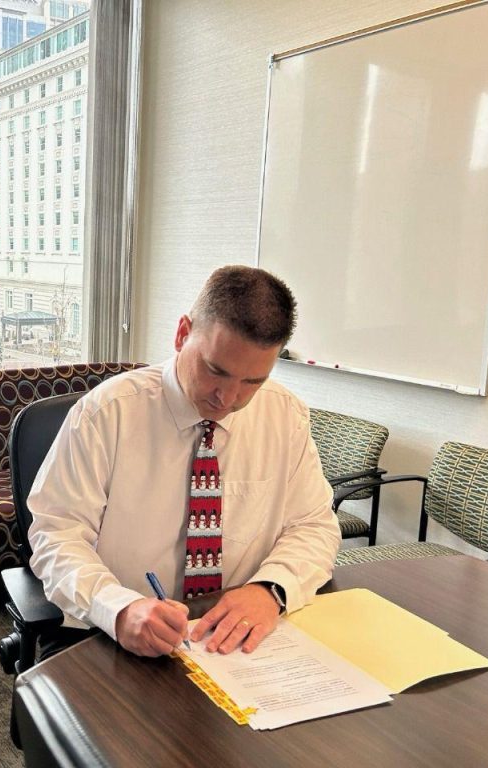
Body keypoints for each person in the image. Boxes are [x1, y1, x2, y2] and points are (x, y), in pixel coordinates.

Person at [27, 265, 339, 659]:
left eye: (252, 382)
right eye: (216, 371)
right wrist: (118, 609)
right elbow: (56, 534)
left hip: (232, 635)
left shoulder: (285, 416)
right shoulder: (107, 413)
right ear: (182, 334)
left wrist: (269, 590)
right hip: (115, 631)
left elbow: (314, 526)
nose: (228, 398)